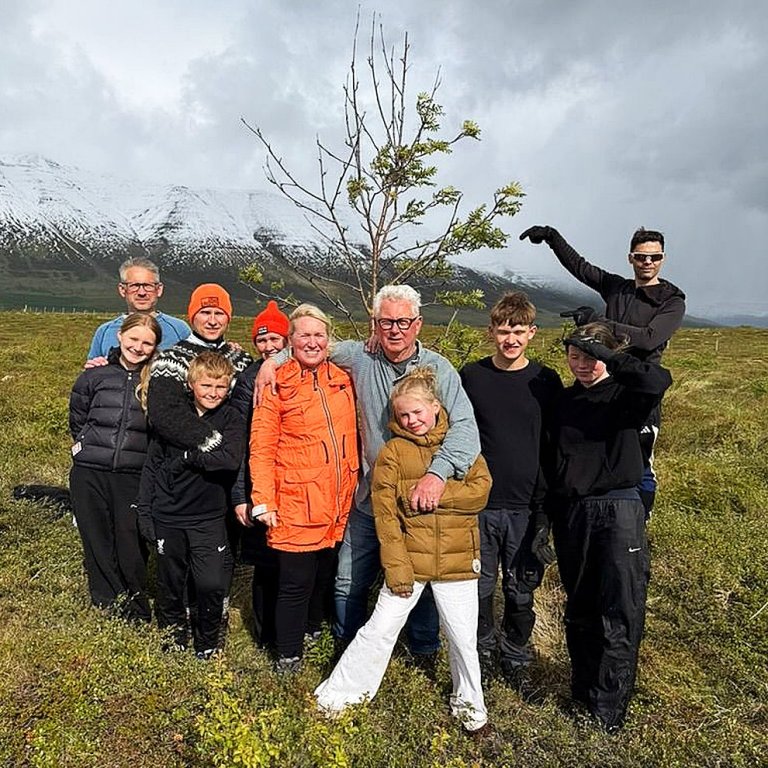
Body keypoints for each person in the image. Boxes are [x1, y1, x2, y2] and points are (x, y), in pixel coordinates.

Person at [257, 284, 481, 668]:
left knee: (423, 580)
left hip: (419, 500)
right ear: (374, 324)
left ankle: (423, 650)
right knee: (348, 580)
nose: (395, 330)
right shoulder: (359, 356)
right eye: (386, 322)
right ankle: (349, 647)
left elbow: (466, 430)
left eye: (403, 322)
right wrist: (270, 362)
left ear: (418, 324)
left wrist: (437, 475)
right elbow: (312, 345)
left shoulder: (439, 369)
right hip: (366, 498)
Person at [315, 367, 492, 734]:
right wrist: (396, 567)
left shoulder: (462, 445)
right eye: (404, 416)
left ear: (436, 407)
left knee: (462, 640)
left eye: (418, 412)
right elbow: (386, 518)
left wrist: (429, 495)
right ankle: (338, 698)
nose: (412, 421)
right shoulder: (393, 454)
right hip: (409, 561)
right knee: (379, 629)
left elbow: (479, 493)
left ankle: (471, 712)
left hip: (459, 562)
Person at [547, 322, 672, 731]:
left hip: (619, 509)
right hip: (573, 512)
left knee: (619, 609)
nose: (583, 364)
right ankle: (582, 692)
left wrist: (612, 356)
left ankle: (608, 708)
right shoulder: (563, 402)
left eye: (591, 356)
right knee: (579, 607)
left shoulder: (627, 396)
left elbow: (657, 380)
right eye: (576, 355)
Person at [519, 225, 686, 516]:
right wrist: (553, 238)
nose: (648, 262)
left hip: (640, 389)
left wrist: (601, 322)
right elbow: (581, 268)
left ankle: (639, 517)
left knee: (639, 455)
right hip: (602, 380)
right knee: (595, 444)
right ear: (630, 258)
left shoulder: (672, 300)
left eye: (654, 257)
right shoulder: (617, 287)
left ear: (663, 258)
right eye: (641, 257)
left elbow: (648, 338)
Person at [459, 292, 563, 685]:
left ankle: (516, 655)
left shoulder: (545, 380)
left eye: (518, 331)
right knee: (480, 584)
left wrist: (549, 504)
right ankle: (482, 649)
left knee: (521, 587)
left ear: (532, 333)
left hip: (528, 506)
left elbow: (557, 442)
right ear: (491, 332)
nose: (510, 339)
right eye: (503, 331)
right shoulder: (472, 376)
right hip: (480, 503)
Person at [249, 304, 359, 673]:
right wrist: (263, 499)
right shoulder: (276, 380)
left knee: (324, 572)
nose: (312, 342)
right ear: (291, 340)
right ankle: (287, 653)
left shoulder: (344, 376)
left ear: (329, 339)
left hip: (340, 496)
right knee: (295, 582)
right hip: (296, 497)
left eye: (319, 335)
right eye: (304, 335)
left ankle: (312, 628)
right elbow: (261, 445)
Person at [138, 351, 245, 658]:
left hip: (208, 518)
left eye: (220, 387)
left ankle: (208, 642)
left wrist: (188, 457)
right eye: (206, 386)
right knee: (170, 583)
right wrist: (145, 511)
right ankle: (174, 639)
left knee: (210, 583)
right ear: (191, 384)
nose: (213, 393)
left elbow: (229, 458)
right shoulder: (174, 419)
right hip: (168, 515)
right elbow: (152, 466)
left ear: (228, 387)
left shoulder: (231, 418)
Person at [69, 313, 161, 621]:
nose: (138, 347)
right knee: (96, 537)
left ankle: (135, 604)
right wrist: (83, 445)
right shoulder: (94, 376)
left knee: (131, 542)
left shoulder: (157, 382)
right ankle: (106, 602)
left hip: (133, 474)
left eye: (147, 343)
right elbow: (78, 416)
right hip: (90, 471)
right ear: (120, 336)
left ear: (155, 347)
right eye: (134, 339)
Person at [230, 300, 290, 648]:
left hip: (296, 483)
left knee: (298, 566)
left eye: (275, 339)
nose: (269, 347)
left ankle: (297, 630)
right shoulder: (247, 380)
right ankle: (265, 634)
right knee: (266, 565)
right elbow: (239, 442)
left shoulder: (303, 370)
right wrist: (240, 494)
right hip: (259, 484)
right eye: (262, 341)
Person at [147, 283, 252, 453]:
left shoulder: (242, 360)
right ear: (192, 317)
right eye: (204, 313)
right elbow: (165, 412)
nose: (212, 321)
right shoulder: (170, 360)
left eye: (219, 313)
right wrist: (215, 444)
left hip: (231, 465)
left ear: (228, 318)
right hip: (182, 462)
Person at [86, 257, 189, 365]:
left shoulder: (179, 330)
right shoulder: (104, 332)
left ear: (159, 290)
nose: (141, 292)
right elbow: (90, 374)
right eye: (134, 286)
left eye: (148, 286)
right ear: (122, 290)